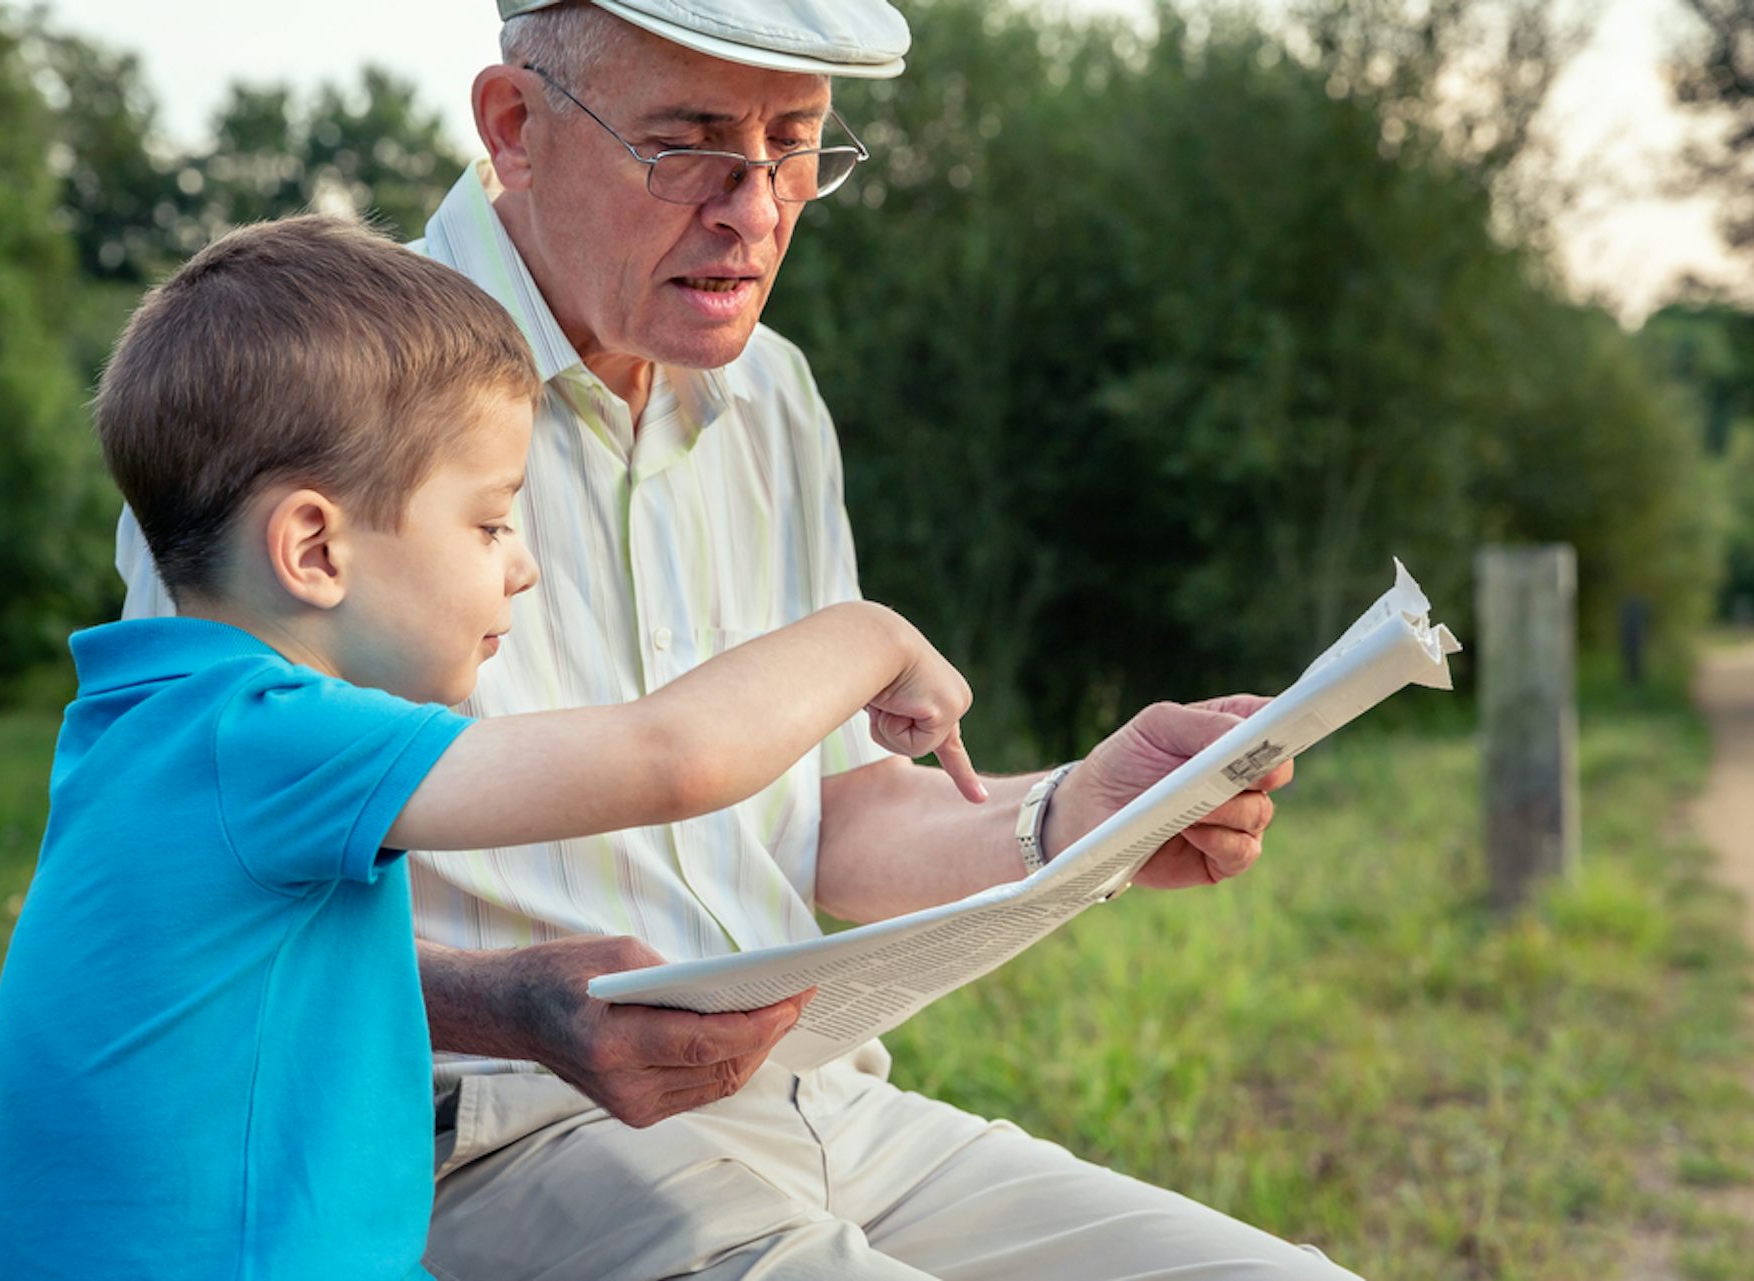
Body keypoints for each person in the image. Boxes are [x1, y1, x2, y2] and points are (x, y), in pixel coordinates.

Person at [112, 4, 1358, 1277]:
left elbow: (829, 818)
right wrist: (515, 1011)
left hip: (816, 1105)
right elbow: (194, 906)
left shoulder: (776, 396)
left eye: (798, 145)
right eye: (689, 143)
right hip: (486, 1143)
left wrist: (1077, 812)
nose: (756, 209)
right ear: (516, 126)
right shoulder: (302, 404)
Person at [0, 214, 988, 1280]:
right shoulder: (259, 739)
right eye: (491, 522)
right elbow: (668, 758)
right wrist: (870, 637)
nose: (523, 567)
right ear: (315, 547)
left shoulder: (157, 725)